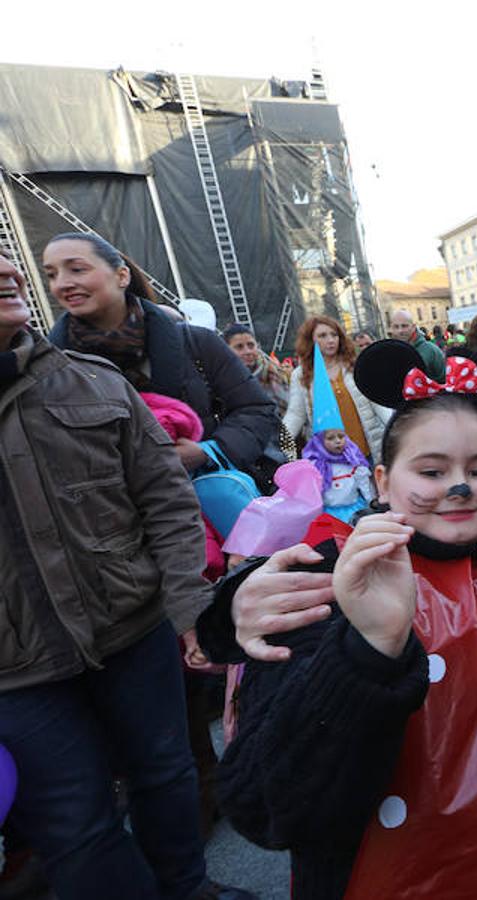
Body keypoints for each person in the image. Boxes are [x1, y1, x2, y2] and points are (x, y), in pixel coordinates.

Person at [208, 339, 477, 898]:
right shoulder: (332, 584)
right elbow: (264, 804)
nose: (460, 487)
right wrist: (365, 650)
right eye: (431, 472)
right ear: (383, 482)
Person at [0, 254, 252, 900]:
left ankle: (190, 889)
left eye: (8, 262)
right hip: (18, 672)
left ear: (121, 274)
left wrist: (195, 610)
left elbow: (166, 503)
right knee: (78, 826)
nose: (12, 272)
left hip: (133, 631)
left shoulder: (93, 381)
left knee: (168, 775)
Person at [42, 233, 276, 473]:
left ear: (122, 276)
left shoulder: (196, 343)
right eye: (51, 274)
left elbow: (256, 409)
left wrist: (208, 451)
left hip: (211, 493)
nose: (62, 283)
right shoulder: (51, 369)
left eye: (77, 269)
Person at [283, 315, 389, 463]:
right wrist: (282, 443)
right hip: (331, 459)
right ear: (310, 340)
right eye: (322, 336)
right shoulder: (300, 375)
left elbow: (378, 402)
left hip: (367, 452)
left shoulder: (355, 366)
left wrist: (397, 427)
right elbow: (296, 414)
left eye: (334, 335)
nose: (331, 340)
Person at [223, 322, 291, 419]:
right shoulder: (220, 378)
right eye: (239, 347)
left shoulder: (272, 374)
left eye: (251, 345)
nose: (247, 352)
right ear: (226, 349)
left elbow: (289, 412)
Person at [387, 309, 445, 377]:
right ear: (391, 329)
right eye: (396, 327)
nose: (400, 331)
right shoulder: (388, 353)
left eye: (404, 326)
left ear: (413, 327)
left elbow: (445, 381)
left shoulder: (432, 351)